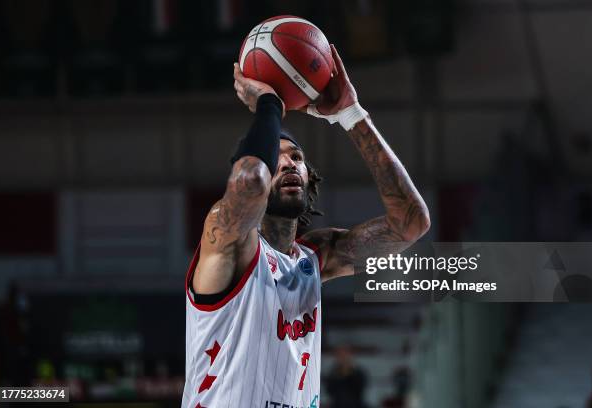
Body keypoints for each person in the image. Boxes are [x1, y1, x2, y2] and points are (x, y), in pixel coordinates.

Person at [181, 44, 430, 408]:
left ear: (309, 178)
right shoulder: (227, 240)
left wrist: (351, 115)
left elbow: (411, 223)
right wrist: (269, 104)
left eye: (296, 157)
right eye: (276, 158)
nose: (288, 164)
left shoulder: (317, 257)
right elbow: (250, 180)